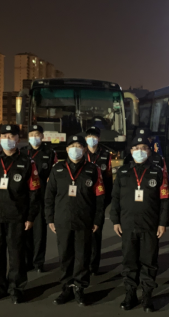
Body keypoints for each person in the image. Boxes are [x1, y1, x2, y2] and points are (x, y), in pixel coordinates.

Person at [0, 124, 41, 304]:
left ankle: (16, 288)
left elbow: (34, 192)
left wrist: (30, 216)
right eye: (4, 136)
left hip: (17, 217)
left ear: (18, 139)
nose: (7, 139)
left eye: (11, 136)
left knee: (16, 256)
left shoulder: (27, 162)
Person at [111, 136, 169, 312]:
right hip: (128, 224)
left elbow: (165, 199)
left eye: (144, 147)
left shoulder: (158, 172)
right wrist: (115, 220)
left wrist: (162, 223)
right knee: (129, 261)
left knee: (149, 262)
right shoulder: (123, 172)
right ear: (131, 151)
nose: (140, 151)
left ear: (149, 151)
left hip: (150, 224)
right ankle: (130, 294)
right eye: (136, 148)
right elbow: (115, 198)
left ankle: (147, 295)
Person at [45, 135, 106, 306]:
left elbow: (100, 198)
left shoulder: (93, 170)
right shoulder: (57, 169)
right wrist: (50, 218)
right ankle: (66, 288)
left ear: (84, 149)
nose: (75, 149)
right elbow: (49, 196)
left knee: (82, 256)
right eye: (72, 146)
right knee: (65, 256)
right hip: (62, 219)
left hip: (84, 220)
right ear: (66, 149)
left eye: (79, 146)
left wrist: (97, 220)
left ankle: (80, 287)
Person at [25, 124, 58, 273]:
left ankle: (38, 262)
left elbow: (54, 176)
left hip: (41, 198)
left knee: (39, 233)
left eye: (37, 134)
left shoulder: (49, 153)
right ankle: (27, 261)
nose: (34, 137)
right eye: (31, 134)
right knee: (25, 232)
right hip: (24, 198)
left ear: (42, 136)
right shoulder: (22, 152)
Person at [84, 126, 113, 275]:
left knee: (96, 234)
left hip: (99, 199)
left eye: (94, 136)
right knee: (83, 235)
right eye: (89, 135)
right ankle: (83, 263)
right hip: (83, 199)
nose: (92, 138)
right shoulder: (81, 153)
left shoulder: (106, 155)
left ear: (99, 138)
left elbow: (108, 178)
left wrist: (105, 200)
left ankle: (94, 265)